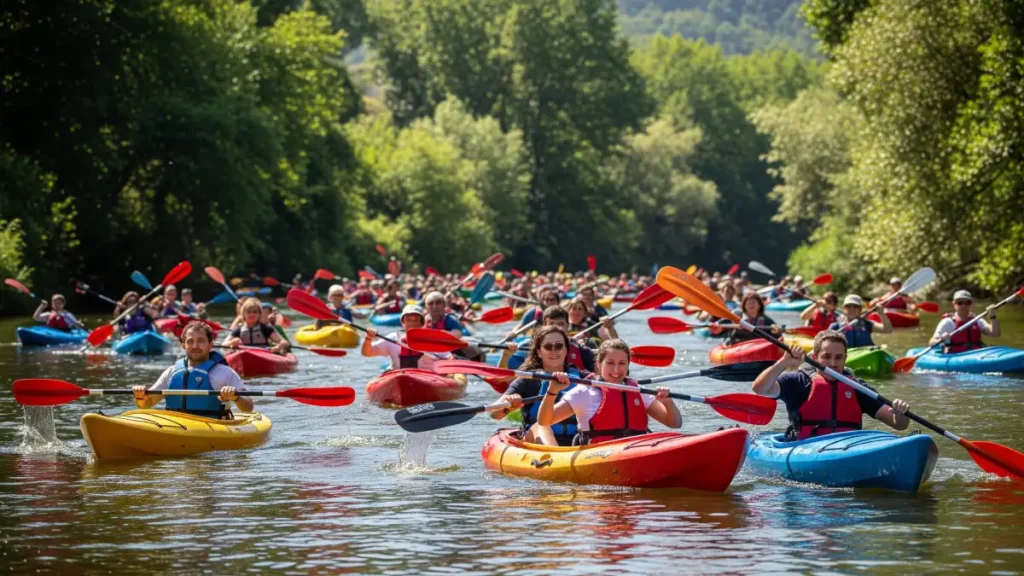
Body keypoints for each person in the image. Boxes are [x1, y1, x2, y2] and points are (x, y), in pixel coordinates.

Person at [751, 330, 910, 441]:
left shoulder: (857, 387)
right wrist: (783, 363)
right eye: (826, 357)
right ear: (814, 357)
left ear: (845, 359)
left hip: (847, 449)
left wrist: (900, 413)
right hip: (805, 448)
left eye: (839, 358)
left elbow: (899, 425)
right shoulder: (798, 381)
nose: (833, 363)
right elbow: (760, 389)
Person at [534, 339, 681, 447]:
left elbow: (674, 423)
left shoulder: (637, 391)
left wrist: (668, 403)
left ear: (628, 365)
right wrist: (552, 391)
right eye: (610, 363)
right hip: (597, 456)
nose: (616, 370)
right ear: (599, 364)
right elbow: (545, 421)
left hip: (636, 449)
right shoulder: (585, 392)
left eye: (622, 363)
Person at [132, 321, 251, 418]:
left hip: (213, 427)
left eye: (200, 341)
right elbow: (146, 404)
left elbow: (248, 406)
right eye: (190, 341)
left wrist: (236, 396)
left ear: (210, 345)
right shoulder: (171, 372)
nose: (195, 346)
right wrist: (140, 395)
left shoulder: (225, 372)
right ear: (183, 345)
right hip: (176, 426)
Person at [491, 326, 581, 446]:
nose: (554, 351)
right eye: (548, 347)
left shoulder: (581, 377)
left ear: (566, 350)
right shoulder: (528, 380)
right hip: (536, 439)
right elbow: (494, 413)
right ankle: (554, 458)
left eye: (559, 346)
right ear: (539, 352)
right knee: (541, 426)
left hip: (576, 439)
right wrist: (509, 405)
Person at [362, 305, 451, 370]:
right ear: (402, 322)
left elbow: (449, 357)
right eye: (408, 319)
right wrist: (368, 339)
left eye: (416, 319)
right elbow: (367, 352)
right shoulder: (393, 338)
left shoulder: (431, 340)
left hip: (427, 377)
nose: (412, 323)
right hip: (399, 376)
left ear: (421, 323)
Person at [929, 290, 1000, 353]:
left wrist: (992, 317)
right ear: (954, 304)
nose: (964, 305)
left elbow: (995, 334)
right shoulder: (948, 322)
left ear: (971, 304)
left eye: (967, 302)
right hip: (956, 356)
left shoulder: (977, 320)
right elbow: (931, 342)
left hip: (977, 354)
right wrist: (942, 340)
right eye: (960, 303)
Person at [223, 297, 290, 354]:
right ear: (244, 314)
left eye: (255, 312)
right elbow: (224, 344)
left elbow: (284, 342)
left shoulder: (266, 328)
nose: (252, 314)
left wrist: (277, 348)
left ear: (259, 315)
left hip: (263, 354)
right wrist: (231, 342)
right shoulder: (238, 330)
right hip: (245, 354)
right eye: (249, 312)